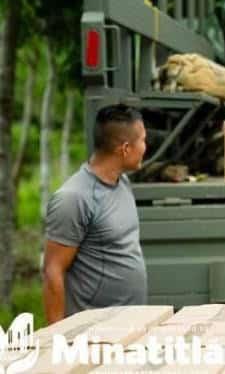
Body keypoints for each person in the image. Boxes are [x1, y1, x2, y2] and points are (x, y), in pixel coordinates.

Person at [42, 104, 148, 324]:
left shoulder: (122, 182)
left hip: (129, 326)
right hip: (93, 334)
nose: (145, 147)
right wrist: (56, 342)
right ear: (125, 148)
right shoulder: (74, 198)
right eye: (143, 140)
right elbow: (53, 272)